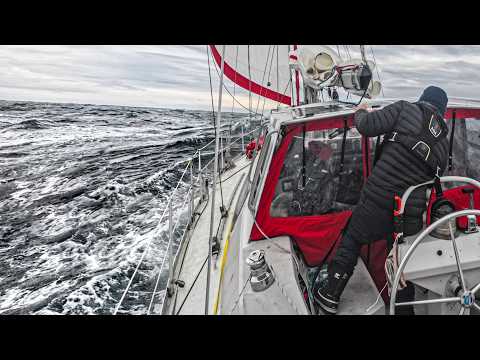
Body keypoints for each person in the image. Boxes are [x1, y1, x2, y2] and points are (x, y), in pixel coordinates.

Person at [313, 86, 450, 315]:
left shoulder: (405, 109)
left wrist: (361, 111)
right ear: (442, 112)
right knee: (400, 264)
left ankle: (330, 294)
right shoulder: (443, 144)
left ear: (422, 99)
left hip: (379, 200)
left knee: (353, 238)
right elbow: (434, 177)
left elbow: (366, 126)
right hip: (409, 214)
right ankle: (404, 310)